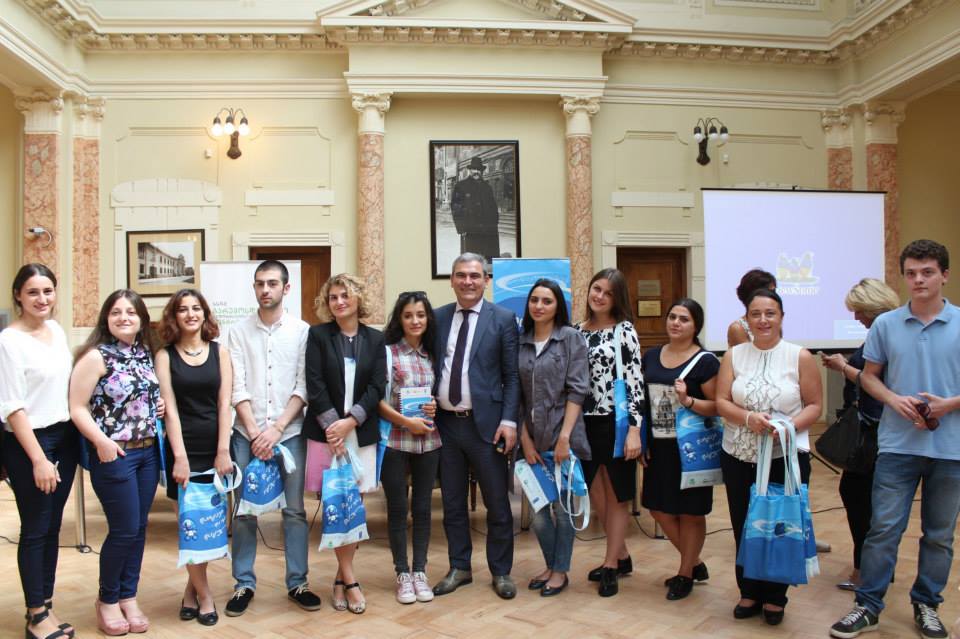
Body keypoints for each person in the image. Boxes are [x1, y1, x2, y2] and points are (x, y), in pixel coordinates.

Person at [830, 240, 960, 639]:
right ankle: (867, 606)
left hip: (950, 449)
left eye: (927, 272)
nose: (919, 280)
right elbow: (869, 376)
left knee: (939, 536)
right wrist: (893, 400)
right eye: (911, 273)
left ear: (944, 275)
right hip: (897, 447)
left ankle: (927, 605)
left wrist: (950, 404)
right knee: (883, 529)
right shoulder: (886, 324)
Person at [716, 288, 822, 626]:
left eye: (770, 313)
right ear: (746, 319)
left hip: (783, 457)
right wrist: (748, 418)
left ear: (781, 317)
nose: (763, 320)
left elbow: (815, 406)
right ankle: (748, 590)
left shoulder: (799, 356)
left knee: (779, 526)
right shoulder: (733, 356)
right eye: (755, 314)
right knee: (744, 524)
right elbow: (721, 401)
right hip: (738, 455)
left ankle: (776, 596)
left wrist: (788, 427)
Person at [226, 260, 319, 616]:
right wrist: (255, 433)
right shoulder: (237, 332)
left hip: (289, 434)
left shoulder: (302, 331)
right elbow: (236, 386)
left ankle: (298, 582)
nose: (265, 289)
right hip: (245, 435)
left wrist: (276, 429)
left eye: (272, 283)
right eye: (260, 283)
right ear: (254, 288)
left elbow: (303, 385)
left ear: (286, 288)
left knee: (294, 512)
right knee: (244, 512)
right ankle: (243, 584)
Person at [69, 289, 162, 636]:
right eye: (116, 312)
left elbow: (145, 397)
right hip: (115, 454)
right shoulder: (95, 357)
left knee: (139, 529)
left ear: (142, 319)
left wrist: (159, 405)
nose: (124, 318)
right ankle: (107, 599)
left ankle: (128, 596)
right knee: (123, 530)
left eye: (131, 312)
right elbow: (77, 407)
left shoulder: (146, 353)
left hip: (148, 453)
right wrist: (101, 441)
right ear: (106, 319)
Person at [431, 252, 521, 600]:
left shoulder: (503, 319)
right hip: (445, 426)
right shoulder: (438, 317)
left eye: (474, 275)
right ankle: (460, 567)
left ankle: (501, 571)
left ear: (486, 280)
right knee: (452, 503)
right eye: (460, 275)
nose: (467, 281)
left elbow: (512, 376)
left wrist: (509, 420)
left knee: (497, 503)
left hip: (488, 426)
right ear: (451, 280)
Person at [0, 264, 78, 639]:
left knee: (52, 526)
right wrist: (38, 459)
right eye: (33, 292)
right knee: (35, 528)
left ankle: (44, 604)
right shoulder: (9, 341)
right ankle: (35, 616)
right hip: (30, 442)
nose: (42, 299)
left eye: (48, 291)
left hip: (64, 437)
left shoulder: (56, 331)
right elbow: (13, 407)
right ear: (18, 295)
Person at [304, 273, 385, 614]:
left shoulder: (376, 338)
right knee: (336, 505)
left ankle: (341, 578)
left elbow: (378, 386)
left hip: (360, 432)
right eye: (333, 297)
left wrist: (351, 421)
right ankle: (351, 580)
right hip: (327, 434)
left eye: (345, 295)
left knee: (355, 507)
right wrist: (334, 428)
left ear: (358, 299)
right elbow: (314, 383)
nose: (339, 302)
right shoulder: (318, 335)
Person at [155, 289, 234, 626]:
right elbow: (170, 410)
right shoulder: (164, 356)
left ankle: (191, 590)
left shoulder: (220, 352)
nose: (190, 314)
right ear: (174, 316)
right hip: (182, 450)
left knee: (212, 527)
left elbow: (224, 404)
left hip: (216, 450)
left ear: (205, 313)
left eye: (196, 308)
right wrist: (180, 457)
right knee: (190, 528)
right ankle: (205, 596)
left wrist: (223, 449)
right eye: (183, 309)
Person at [820, 278, 899, 592]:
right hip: (880, 432)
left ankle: (864, 571)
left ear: (873, 308)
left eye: (859, 310)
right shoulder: (891, 332)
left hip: (875, 434)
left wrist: (843, 366)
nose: (856, 317)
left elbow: (876, 383)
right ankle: (877, 568)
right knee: (871, 503)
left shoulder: (886, 335)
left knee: (859, 500)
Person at [641, 298, 720, 601]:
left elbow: (718, 406)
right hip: (658, 447)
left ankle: (685, 572)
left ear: (696, 326)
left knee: (690, 513)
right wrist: (642, 440)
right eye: (672, 317)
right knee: (657, 508)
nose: (675, 323)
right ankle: (695, 561)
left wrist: (688, 400)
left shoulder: (706, 362)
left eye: (684, 319)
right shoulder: (651, 356)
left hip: (691, 450)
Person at [517, 278, 590, 598]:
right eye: (534, 300)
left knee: (562, 510)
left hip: (563, 439)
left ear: (558, 305)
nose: (539, 306)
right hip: (531, 442)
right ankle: (551, 566)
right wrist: (525, 440)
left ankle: (560, 571)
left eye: (547, 301)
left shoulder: (570, 338)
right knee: (538, 513)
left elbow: (577, 390)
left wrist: (564, 438)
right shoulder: (520, 341)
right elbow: (516, 396)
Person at [577, 268, 645, 597]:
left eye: (608, 293)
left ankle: (610, 564)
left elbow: (635, 383)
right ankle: (622, 554)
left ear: (617, 299)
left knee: (617, 493)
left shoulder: (624, 331)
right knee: (596, 492)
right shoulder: (576, 330)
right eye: (596, 289)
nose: (600, 296)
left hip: (614, 421)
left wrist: (634, 429)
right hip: (583, 422)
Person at [377, 291, 440, 605]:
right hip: (395, 441)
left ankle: (420, 572)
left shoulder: (433, 354)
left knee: (424, 509)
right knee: (398, 509)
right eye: (408, 315)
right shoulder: (387, 353)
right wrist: (406, 422)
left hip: (428, 441)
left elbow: (436, 396)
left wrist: (432, 407)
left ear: (428, 318)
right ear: (399, 320)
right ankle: (402, 573)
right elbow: (377, 401)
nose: (415, 321)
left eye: (420, 315)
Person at [450, 156, 500, 262]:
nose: (476, 172)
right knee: (471, 262)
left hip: (488, 232)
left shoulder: (487, 187)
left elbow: (493, 207)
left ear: (482, 171)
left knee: (488, 263)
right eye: (474, 169)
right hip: (470, 232)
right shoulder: (461, 186)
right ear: (470, 170)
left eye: (479, 169)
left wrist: (495, 223)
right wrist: (461, 228)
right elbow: (456, 208)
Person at [727, 268, 777, 347]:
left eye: (774, 292)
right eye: (769, 292)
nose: (774, 296)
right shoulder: (738, 328)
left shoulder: (772, 323)